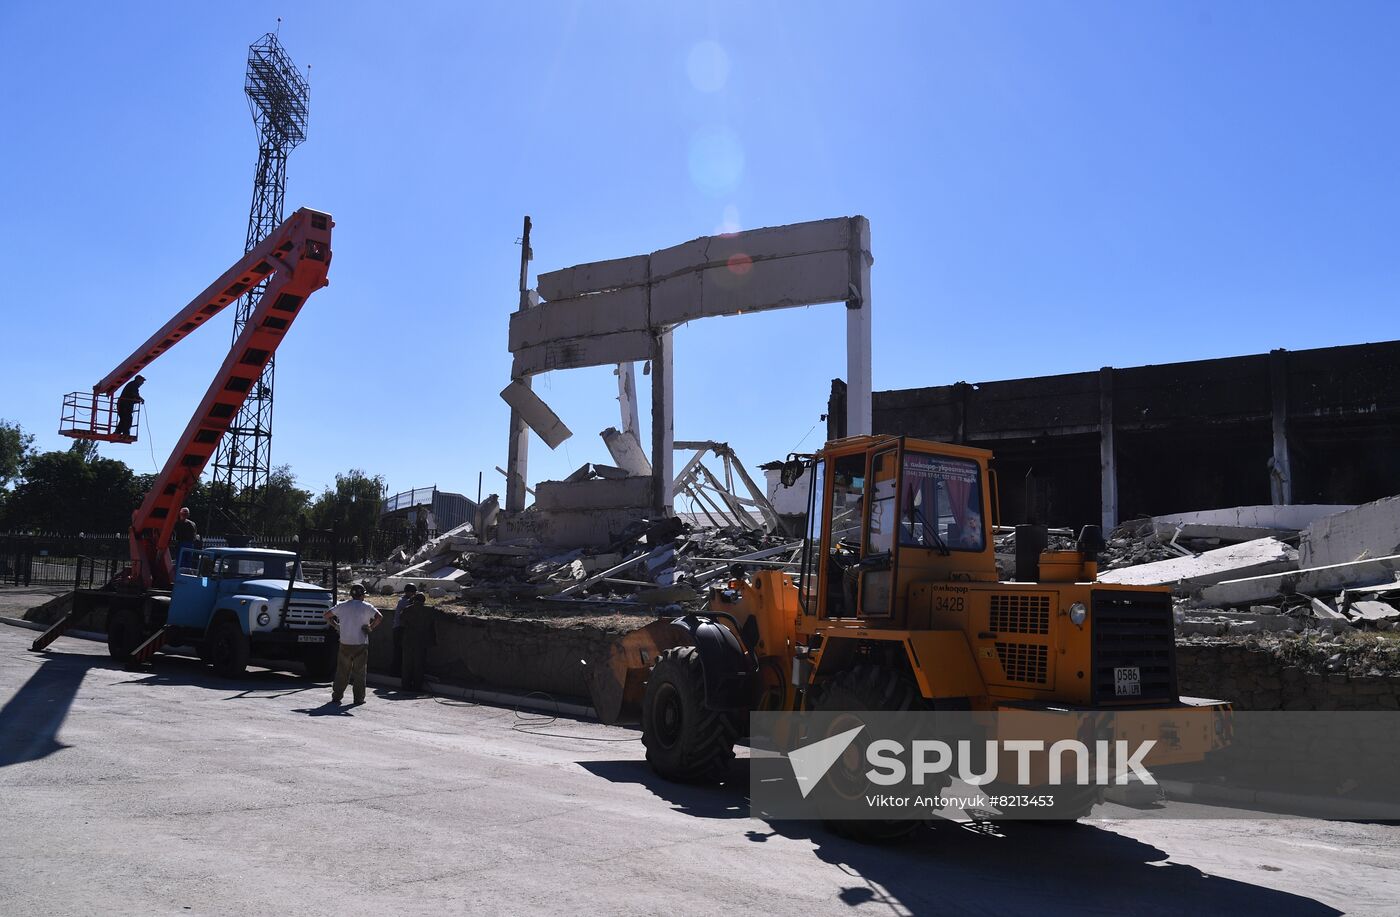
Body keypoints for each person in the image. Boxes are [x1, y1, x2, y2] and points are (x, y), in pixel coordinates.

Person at [324, 583, 382, 705]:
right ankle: (358, 698)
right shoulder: (367, 607)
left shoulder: (342, 606)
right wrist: (370, 628)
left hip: (345, 643)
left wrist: (336, 626)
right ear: (362, 595)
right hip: (361, 643)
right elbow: (379, 617)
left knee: (342, 671)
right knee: (359, 672)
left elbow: (327, 615)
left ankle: (337, 695)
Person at [399, 591, 436, 693]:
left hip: (408, 640)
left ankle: (405, 685)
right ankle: (417, 686)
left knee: (406, 664)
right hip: (421, 641)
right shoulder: (428, 611)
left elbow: (402, 623)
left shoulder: (407, 610)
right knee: (419, 664)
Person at [390, 583, 418, 677]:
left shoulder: (404, 600)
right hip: (399, 629)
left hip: (399, 628)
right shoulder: (404, 602)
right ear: (409, 592)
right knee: (399, 651)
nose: (414, 595)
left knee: (399, 650)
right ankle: (396, 671)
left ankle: (396, 671)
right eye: (413, 593)